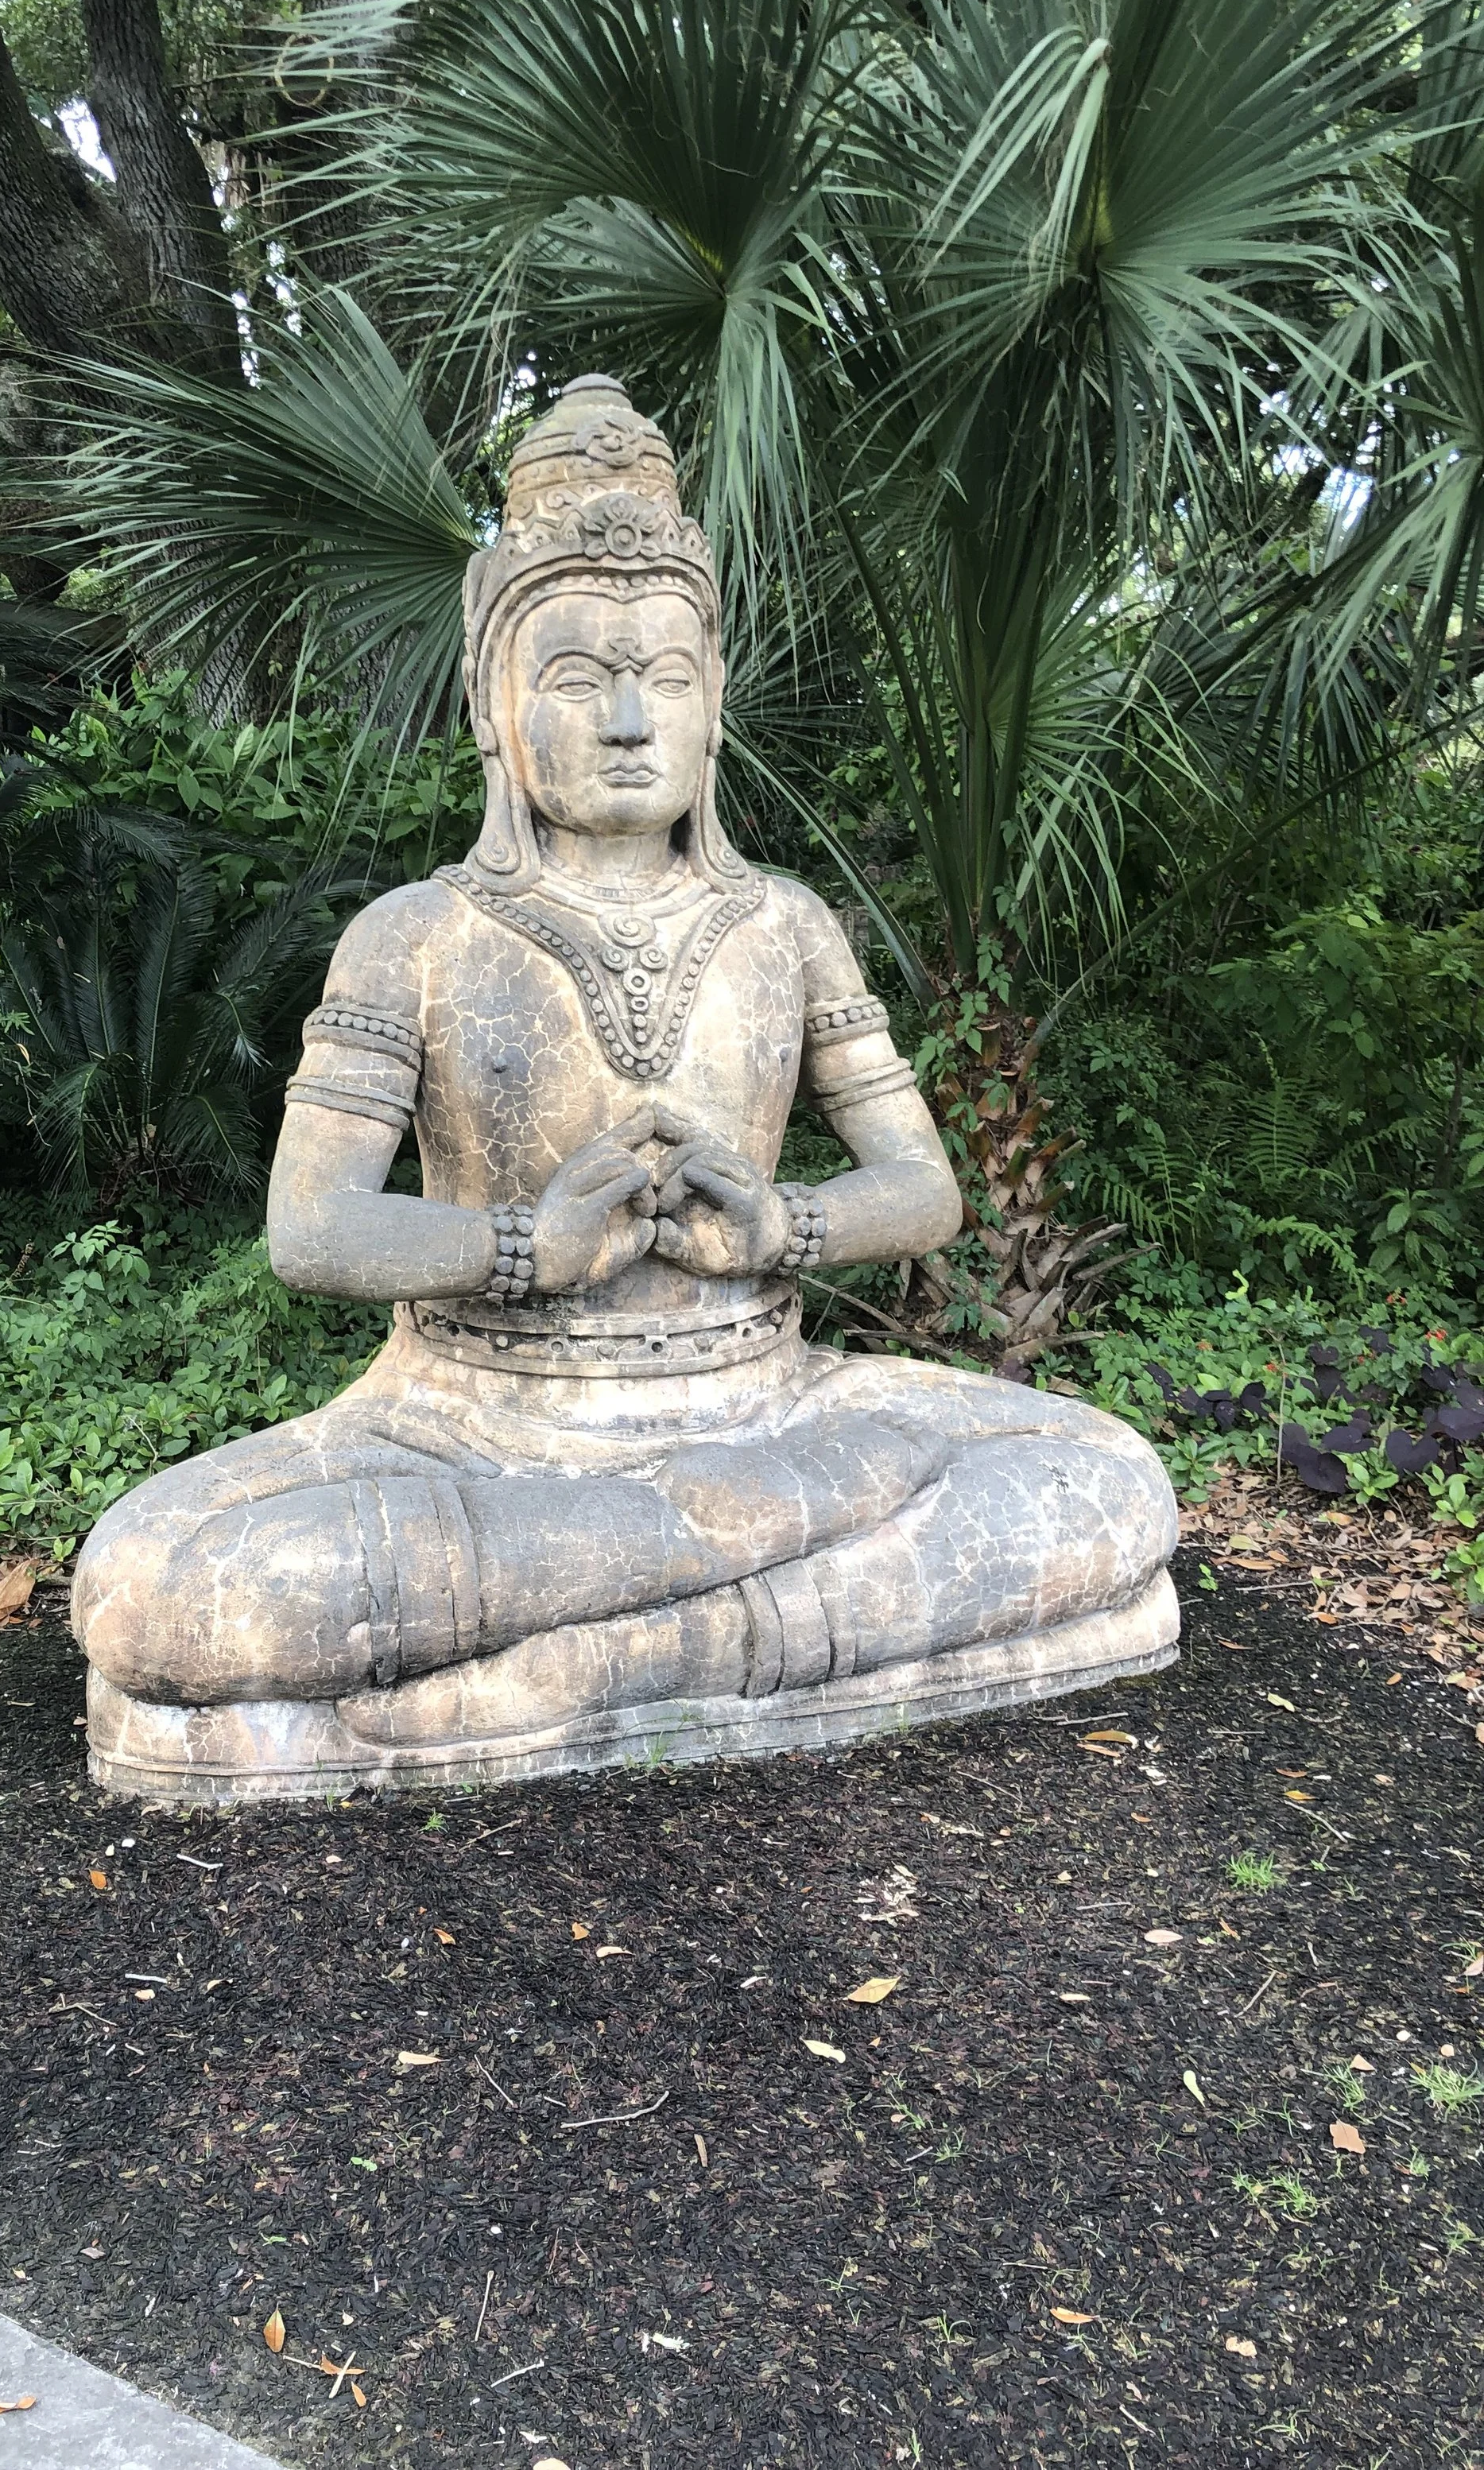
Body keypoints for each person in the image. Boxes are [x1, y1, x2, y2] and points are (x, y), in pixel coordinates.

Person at [72, 378, 1177, 1797]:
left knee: (1104, 1475)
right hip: (475, 1429)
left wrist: (779, 1230)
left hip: (768, 1401)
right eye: (580, 677)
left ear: (714, 704)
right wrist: (529, 1247)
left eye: (666, 674)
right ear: (496, 706)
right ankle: (732, 1613)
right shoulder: (417, 935)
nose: (628, 719)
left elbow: (927, 1191)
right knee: (173, 1585)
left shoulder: (785, 926)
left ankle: (561, 1667)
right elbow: (312, 1230)